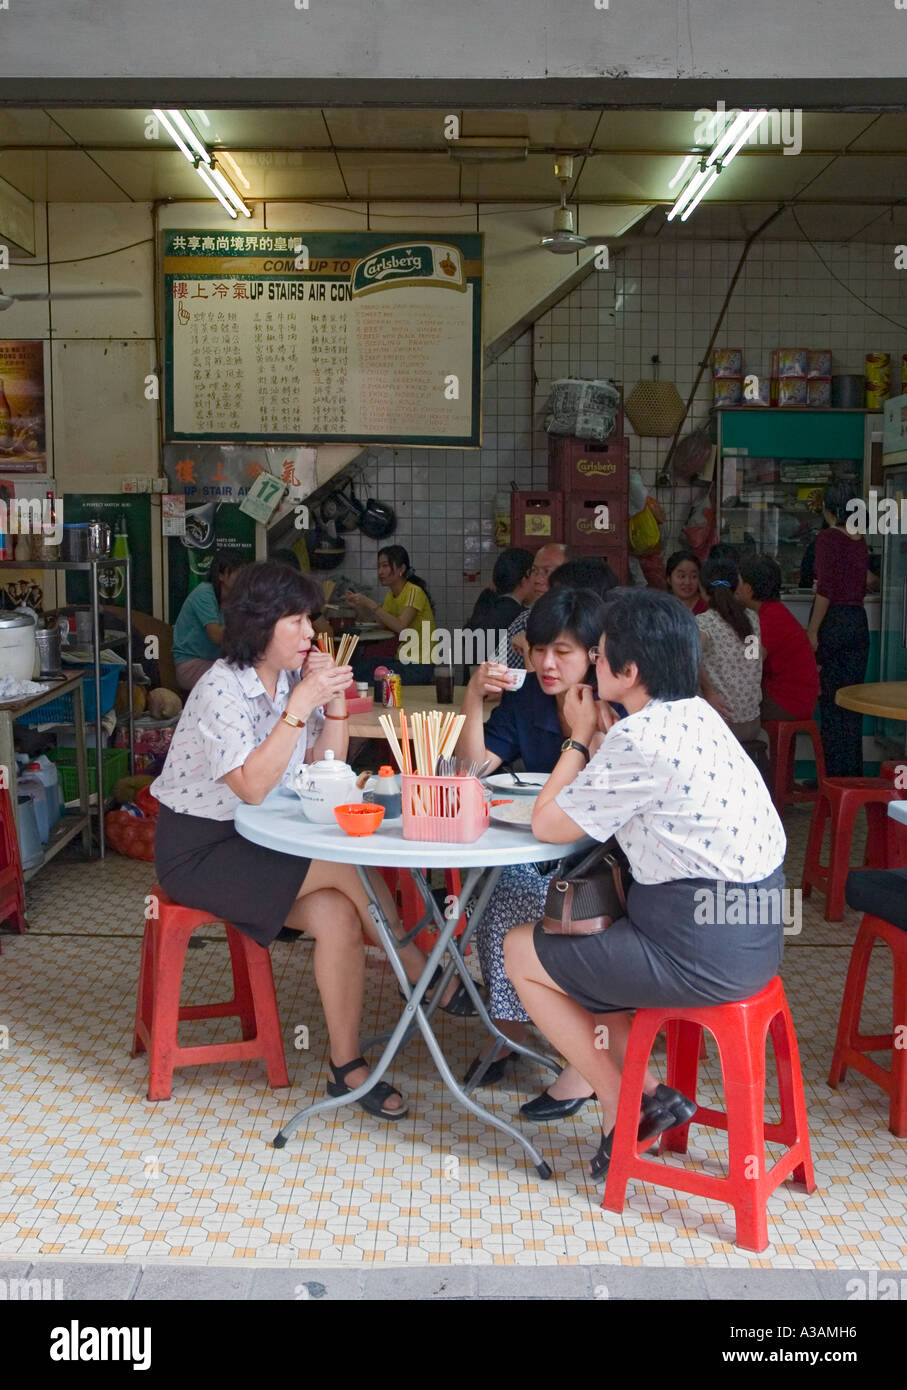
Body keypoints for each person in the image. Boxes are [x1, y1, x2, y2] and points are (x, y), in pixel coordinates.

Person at [152, 561, 473, 1123]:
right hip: (201, 849)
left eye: (310, 620)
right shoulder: (220, 688)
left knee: (337, 916)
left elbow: (326, 771)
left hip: (259, 839)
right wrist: (300, 708)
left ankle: (345, 1066)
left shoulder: (284, 683)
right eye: (296, 620)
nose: (309, 633)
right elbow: (251, 786)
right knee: (340, 859)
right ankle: (421, 971)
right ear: (258, 624)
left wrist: (331, 706)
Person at [503, 588, 787, 1181]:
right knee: (584, 932)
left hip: (699, 950)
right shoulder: (698, 715)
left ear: (628, 672)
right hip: (755, 936)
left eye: (600, 657)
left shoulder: (641, 737)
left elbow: (548, 824)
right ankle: (648, 1094)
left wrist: (579, 737)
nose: (592, 665)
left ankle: (624, 1104)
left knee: (521, 949)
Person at [457, 585, 611, 1114]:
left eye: (562, 652)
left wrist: (583, 731)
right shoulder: (526, 696)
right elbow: (471, 773)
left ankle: (579, 1058)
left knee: (523, 893)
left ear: (595, 655)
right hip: (535, 843)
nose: (546, 663)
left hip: (605, 861)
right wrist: (474, 697)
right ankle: (507, 1028)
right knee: (492, 886)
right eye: (538, 649)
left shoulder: (614, 706)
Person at [806, 483, 870, 778]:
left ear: (828, 510)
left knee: (832, 704)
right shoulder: (860, 540)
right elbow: (866, 581)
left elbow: (826, 591)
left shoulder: (828, 539)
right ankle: (853, 774)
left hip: (835, 623)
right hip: (858, 622)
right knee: (852, 702)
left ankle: (832, 778)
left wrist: (813, 630)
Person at [738, 554, 819, 721]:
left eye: (738, 582)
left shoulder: (767, 619)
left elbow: (749, 664)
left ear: (748, 588)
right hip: (796, 697)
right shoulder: (773, 612)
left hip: (787, 701)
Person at [344, 545, 437, 684]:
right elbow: (380, 626)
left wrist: (370, 603)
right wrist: (359, 607)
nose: (380, 572)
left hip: (419, 665)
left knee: (366, 675)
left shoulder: (414, 592)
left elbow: (400, 626)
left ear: (401, 569)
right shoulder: (391, 595)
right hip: (403, 660)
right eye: (379, 567)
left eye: (385, 566)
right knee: (358, 668)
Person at [697, 557, 763, 747]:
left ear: (702, 589)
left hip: (722, 726)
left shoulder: (704, 622)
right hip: (752, 723)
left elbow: (691, 659)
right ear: (736, 587)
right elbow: (752, 661)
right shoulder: (752, 619)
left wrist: (709, 690)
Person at [171, 551, 243, 691]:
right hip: (190, 664)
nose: (242, 578)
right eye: (236, 572)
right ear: (221, 575)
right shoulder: (205, 593)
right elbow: (215, 635)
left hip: (217, 663)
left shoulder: (235, 598)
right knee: (238, 679)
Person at [464, 547, 534, 663]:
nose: (538, 580)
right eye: (535, 572)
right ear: (526, 576)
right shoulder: (519, 617)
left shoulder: (487, 604)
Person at [666, 549, 708, 616]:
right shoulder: (662, 608)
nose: (687, 582)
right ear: (669, 579)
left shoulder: (707, 608)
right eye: (681, 576)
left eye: (694, 576)